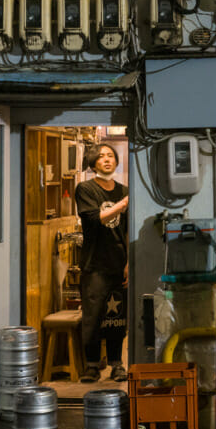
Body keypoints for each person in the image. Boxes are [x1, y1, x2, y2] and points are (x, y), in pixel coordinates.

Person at [75, 143, 129, 383]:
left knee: (118, 315)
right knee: (93, 315)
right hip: (94, 263)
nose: (107, 160)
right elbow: (95, 219)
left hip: (119, 263)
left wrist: (129, 263)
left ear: (116, 162)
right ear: (92, 162)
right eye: (101, 156)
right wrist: (121, 205)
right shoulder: (85, 189)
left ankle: (117, 365)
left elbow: (127, 230)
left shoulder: (124, 190)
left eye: (110, 156)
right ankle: (92, 366)